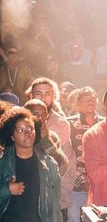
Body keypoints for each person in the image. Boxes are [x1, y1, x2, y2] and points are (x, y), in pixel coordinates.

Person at [66, 86, 103, 222]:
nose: (90, 101)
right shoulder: (69, 124)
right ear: (77, 103)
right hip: (77, 183)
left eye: (93, 98)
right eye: (86, 99)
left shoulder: (105, 123)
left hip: (101, 183)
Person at [26, 77, 76, 210]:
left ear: (53, 96)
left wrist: (59, 199)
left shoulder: (61, 124)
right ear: (31, 96)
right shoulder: (17, 120)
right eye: (38, 93)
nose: (43, 98)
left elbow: (65, 165)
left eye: (47, 94)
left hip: (52, 196)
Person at [24, 98, 68, 176]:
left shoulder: (52, 137)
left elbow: (62, 169)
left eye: (43, 114)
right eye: (35, 114)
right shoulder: (19, 136)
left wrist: (46, 140)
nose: (40, 118)